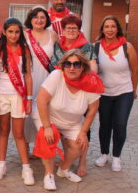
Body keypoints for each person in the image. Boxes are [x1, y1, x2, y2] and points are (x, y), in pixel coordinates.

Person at [36, 49, 103, 190]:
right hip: (49, 117)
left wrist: (83, 132)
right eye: (68, 64)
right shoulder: (56, 76)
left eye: (76, 64)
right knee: (47, 139)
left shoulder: (91, 83)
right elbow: (41, 100)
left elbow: (92, 110)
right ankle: (49, 175)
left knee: (80, 145)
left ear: (83, 67)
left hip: (71, 122)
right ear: (63, 65)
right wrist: (47, 127)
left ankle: (64, 169)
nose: (72, 68)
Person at [50, 14, 97, 176]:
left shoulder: (87, 46)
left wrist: (84, 82)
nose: (71, 30)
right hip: (62, 90)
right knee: (65, 124)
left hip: (81, 90)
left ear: (79, 30)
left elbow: (93, 67)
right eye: (68, 28)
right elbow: (54, 66)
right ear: (63, 30)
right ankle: (67, 157)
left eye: (74, 28)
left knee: (83, 127)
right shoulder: (58, 45)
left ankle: (82, 161)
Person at [0, 18, 34, 185]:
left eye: (17, 32)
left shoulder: (25, 50)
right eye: (10, 31)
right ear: (4, 32)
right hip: (1, 94)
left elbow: (28, 75)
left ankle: (26, 167)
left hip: (18, 95)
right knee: (3, 130)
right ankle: (1, 164)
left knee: (19, 133)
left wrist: (29, 98)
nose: (14, 35)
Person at [94, 15, 138, 172]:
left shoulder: (127, 47)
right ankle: (104, 154)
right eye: (107, 26)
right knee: (105, 125)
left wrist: (133, 90)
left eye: (113, 26)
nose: (110, 29)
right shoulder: (97, 47)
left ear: (118, 29)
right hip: (104, 93)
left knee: (120, 125)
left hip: (124, 93)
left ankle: (117, 157)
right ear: (103, 29)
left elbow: (134, 71)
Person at [23, 7, 58, 156]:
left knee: (45, 114)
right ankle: (24, 151)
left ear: (47, 20)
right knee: (25, 116)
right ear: (30, 19)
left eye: (42, 17)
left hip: (47, 80)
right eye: (36, 17)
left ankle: (41, 149)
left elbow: (58, 58)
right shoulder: (24, 35)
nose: (39, 20)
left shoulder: (53, 35)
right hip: (27, 80)